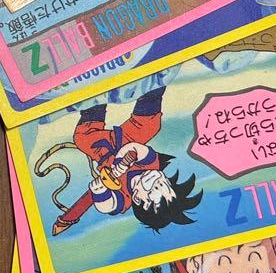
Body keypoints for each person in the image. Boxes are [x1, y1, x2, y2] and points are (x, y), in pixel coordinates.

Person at [48, 87, 203, 234]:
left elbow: (107, 206)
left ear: (137, 198)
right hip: (130, 136)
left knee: (82, 139)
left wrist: (99, 190)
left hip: (103, 150)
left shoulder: (125, 199)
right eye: (164, 184)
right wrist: (121, 163)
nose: (157, 181)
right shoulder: (152, 165)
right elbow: (135, 148)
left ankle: (95, 102)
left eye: (154, 189)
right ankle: (152, 86)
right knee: (150, 126)